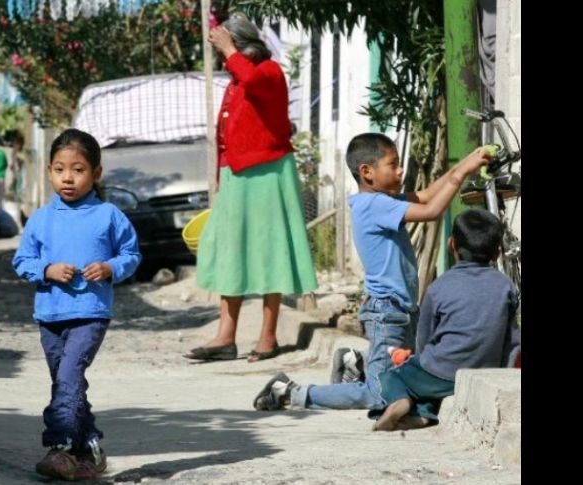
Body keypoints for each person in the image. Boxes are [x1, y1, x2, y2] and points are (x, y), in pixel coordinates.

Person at [253, 133, 493, 414]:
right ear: (367, 172)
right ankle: (288, 393)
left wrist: (466, 163)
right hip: (387, 313)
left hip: (399, 309)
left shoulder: (381, 201)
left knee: (405, 369)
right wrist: (463, 171)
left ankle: (356, 362)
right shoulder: (376, 205)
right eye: (393, 164)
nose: (400, 170)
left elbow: (427, 195)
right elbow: (432, 210)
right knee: (379, 395)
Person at [184, 14, 318, 363]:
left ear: (242, 47)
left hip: (268, 174)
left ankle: (268, 336)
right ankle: (225, 337)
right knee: (232, 252)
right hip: (237, 176)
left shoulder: (268, 72)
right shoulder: (236, 80)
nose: (227, 60)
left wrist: (229, 50)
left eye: (230, 50)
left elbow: (254, 82)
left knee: (269, 251)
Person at [13, 128, 141, 481]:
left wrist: (111, 267)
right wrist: (47, 270)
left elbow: (131, 254)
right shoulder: (41, 218)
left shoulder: (109, 215)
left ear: (96, 173)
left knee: (68, 378)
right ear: (50, 171)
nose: (68, 177)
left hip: (90, 313)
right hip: (50, 314)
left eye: (78, 169)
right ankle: (91, 450)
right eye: (59, 169)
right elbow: (22, 261)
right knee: (67, 383)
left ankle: (61, 448)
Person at [372, 209, 521, 431]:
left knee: (393, 377)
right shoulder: (506, 287)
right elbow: (513, 340)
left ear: (452, 245)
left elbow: (424, 338)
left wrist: (421, 360)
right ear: (497, 253)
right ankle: (425, 414)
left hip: (439, 372)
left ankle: (402, 402)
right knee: (433, 384)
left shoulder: (439, 287)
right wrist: (503, 372)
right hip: (483, 370)